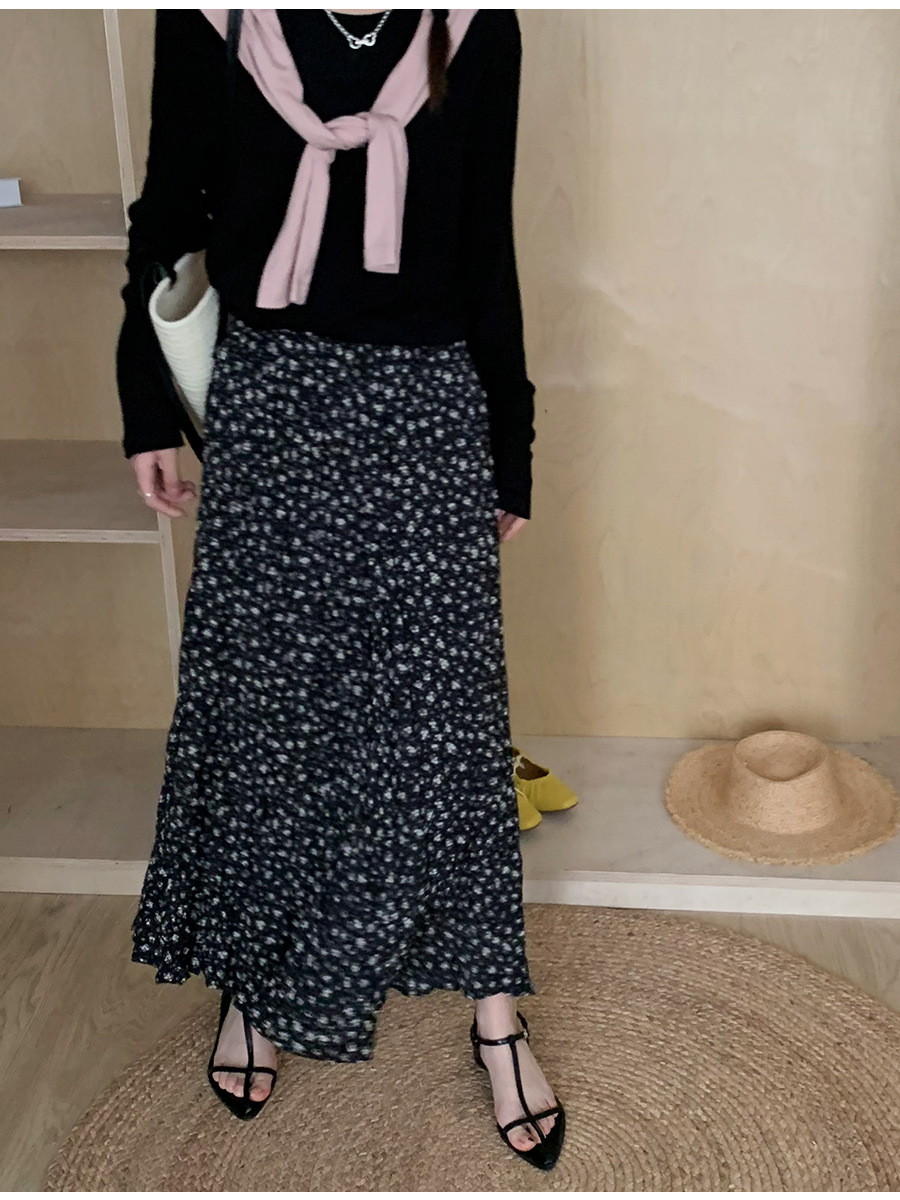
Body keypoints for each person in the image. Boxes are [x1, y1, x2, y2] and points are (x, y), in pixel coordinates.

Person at [117, 6, 564, 1170]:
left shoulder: (476, 24)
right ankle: (255, 980)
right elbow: (168, 214)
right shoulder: (211, 16)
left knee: (449, 728)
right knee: (268, 717)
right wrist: (143, 404)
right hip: (270, 399)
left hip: (429, 406)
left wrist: (510, 448)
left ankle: (495, 1011)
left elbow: (486, 237)